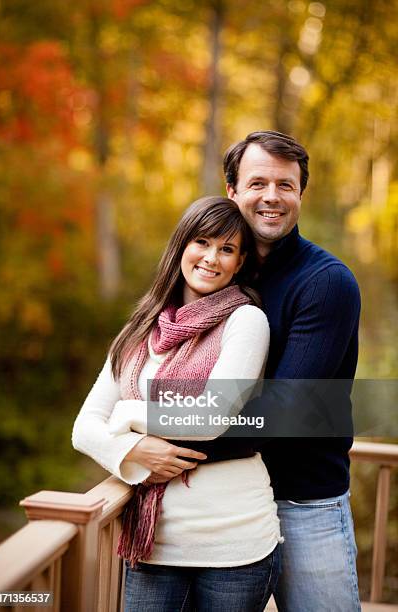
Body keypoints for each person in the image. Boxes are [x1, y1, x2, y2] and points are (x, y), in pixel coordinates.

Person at [72, 196, 283, 612]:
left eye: (227, 249)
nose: (211, 258)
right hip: (154, 547)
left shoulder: (245, 321)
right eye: (202, 242)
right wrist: (130, 449)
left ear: (240, 262)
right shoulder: (140, 331)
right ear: (182, 245)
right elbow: (85, 427)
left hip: (234, 544)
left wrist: (130, 415)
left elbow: (211, 417)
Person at [223, 130, 362, 612]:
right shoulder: (218, 272)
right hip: (225, 499)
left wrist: (170, 432)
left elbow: (285, 412)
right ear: (233, 192)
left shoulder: (326, 283)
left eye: (286, 185)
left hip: (304, 505)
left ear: (300, 194)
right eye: (258, 182)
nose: (271, 197)